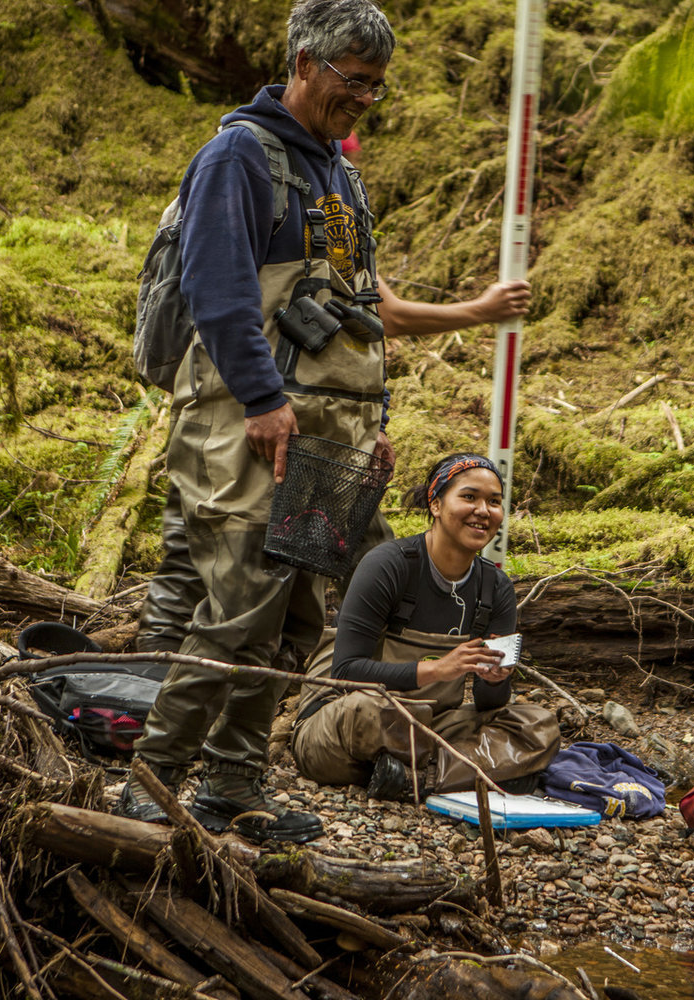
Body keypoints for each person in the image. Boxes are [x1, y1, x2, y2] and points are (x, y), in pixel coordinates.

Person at [116, 0, 398, 844]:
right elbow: (218, 287)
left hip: (328, 431)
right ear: (304, 63)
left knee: (294, 618)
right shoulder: (240, 153)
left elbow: (361, 310)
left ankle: (233, 788)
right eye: (354, 82)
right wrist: (265, 400)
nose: (363, 101)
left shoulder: (341, 176)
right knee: (239, 608)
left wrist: (374, 418)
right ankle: (152, 780)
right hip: (247, 424)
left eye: (377, 89)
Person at [135, 277, 532, 658]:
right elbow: (386, 315)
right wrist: (483, 309)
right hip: (242, 415)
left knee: (352, 557)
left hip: (322, 423)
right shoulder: (262, 212)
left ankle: (356, 672)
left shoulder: (341, 218)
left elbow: (370, 322)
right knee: (201, 559)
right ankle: (147, 684)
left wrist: (374, 420)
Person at [291, 454, 560, 798]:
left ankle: (411, 780)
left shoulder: (495, 587)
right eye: (469, 497)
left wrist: (494, 680)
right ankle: (475, 773)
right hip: (344, 721)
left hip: (430, 726)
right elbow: (344, 671)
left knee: (538, 725)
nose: (483, 510)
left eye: (494, 502)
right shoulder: (388, 565)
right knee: (376, 710)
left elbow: (489, 704)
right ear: (435, 504)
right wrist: (437, 670)